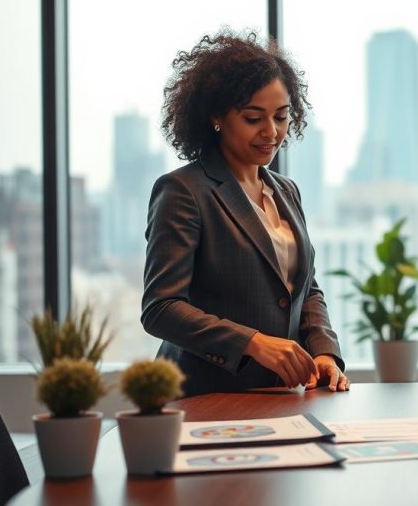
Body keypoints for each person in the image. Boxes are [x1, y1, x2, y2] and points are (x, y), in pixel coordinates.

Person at [141, 31, 349, 397]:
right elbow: (161, 307)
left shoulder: (286, 191)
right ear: (217, 117)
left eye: (281, 117)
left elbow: (306, 289)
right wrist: (253, 343)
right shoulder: (183, 191)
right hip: (205, 398)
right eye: (254, 118)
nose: (271, 132)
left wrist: (324, 353)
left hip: (282, 397)